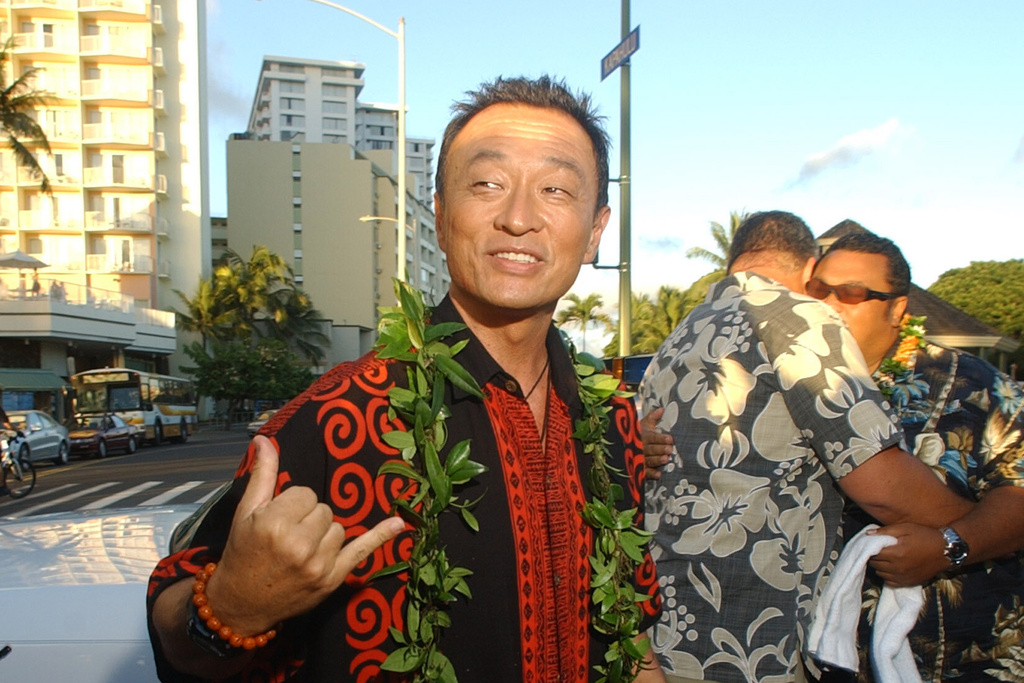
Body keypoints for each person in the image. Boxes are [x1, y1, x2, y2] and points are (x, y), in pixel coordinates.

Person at [147, 76, 664, 683]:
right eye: (487, 184)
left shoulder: (613, 420)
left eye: (555, 189)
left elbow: (631, 641)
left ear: (595, 231)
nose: (519, 217)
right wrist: (230, 608)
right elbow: (174, 625)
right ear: (442, 218)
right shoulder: (339, 418)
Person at [638, 211, 973, 683]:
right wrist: (974, 525)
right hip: (753, 640)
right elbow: (878, 482)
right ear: (808, 266)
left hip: (670, 632)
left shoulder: (678, 339)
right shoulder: (798, 318)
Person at [808, 232, 1024, 681]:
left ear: (896, 309)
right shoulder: (792, 385)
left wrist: (949, 547)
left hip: (969, 657)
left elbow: (1018, 492)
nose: (829, 304)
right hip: (828, 658)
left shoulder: (974, 388)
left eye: (851, 293)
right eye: (818, 290)